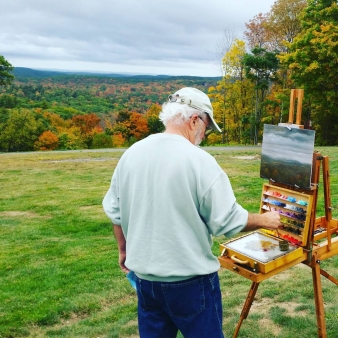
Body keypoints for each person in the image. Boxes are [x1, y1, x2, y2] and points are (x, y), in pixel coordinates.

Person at [102, 87, 281, 338]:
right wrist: (265, 220)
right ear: (194, 120)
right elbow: (226, 221)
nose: (204, 136)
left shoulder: (132, 153)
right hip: (190, 283)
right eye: (206, 128)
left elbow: (115, 212)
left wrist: (124, 250)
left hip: (145, 280)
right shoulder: (199, 160)